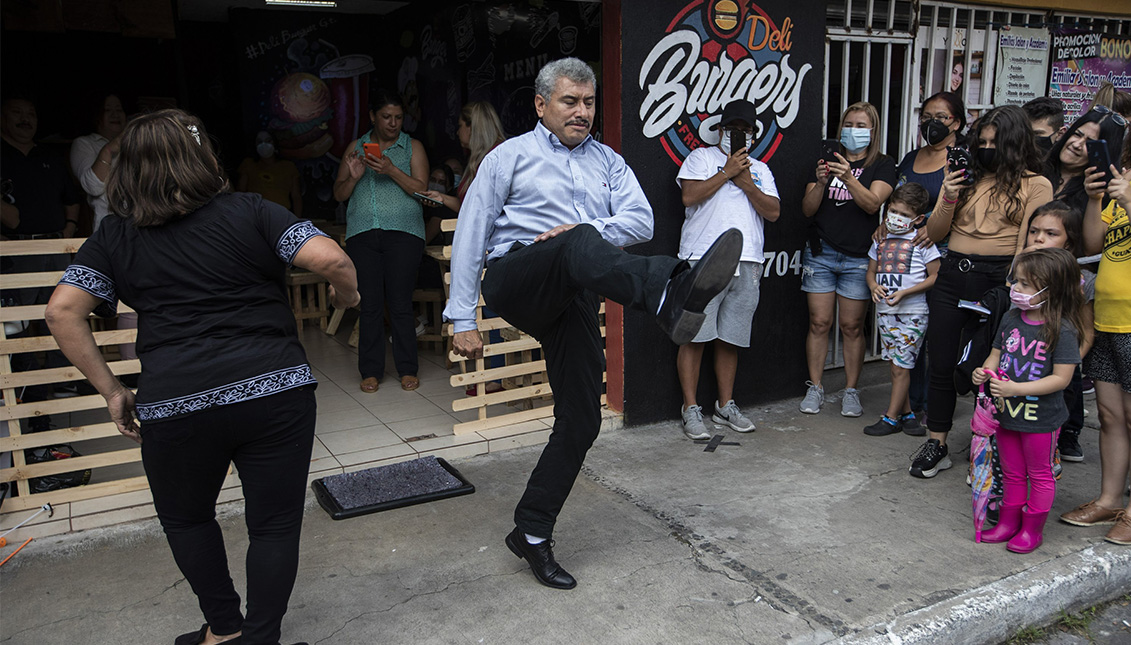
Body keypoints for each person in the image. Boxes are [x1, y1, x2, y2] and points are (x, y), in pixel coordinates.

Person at [45, 109, 359, 645]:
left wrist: (113, 392)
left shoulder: (114, 236)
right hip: (274, 390)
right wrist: (346, 297)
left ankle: (223, 631)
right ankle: (260, 638)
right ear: (202, 158)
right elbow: (331, 259)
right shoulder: (251, 210)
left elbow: (61, 312)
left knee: (188, 521)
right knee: (274, 525)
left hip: (177, 402)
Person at [445, 57, 742, 589]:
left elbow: (640, 220)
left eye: (588, 103)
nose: (581, 112)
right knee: (578, 240)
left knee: (582, 419)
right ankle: (672, 290)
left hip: (571, 291)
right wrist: (460, 316)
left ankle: (532, 531)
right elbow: (471, 231)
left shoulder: (607, 161)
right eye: (569, 101)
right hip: (517, 274)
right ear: (541, 105)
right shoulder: (508, 157)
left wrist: (583, 228)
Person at [915, 105, 1053, 479]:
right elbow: (938, 232)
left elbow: (1029, 243)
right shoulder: (968, 177)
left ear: (1014, 143)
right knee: (940, 361)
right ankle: (937, 442)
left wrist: (1013, 290)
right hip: (952, 273)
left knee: (987, 369)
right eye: (983, 141)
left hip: (998, 279)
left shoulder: (1036, 184)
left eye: (996, 142)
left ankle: (986, 445)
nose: (988, 148)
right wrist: (947, 192)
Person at [673, 99, 779, 439]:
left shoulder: (761, 170)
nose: (739, 135)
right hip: (704, 257)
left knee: (730, 338)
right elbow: (689, 196)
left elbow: (774, 212)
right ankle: (690, 408)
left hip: (748, 260)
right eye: (732, 128)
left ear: (754, 134)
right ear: (720, 130)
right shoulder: (701, 158)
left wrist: (746, 181)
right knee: (693, 337)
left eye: (745, 130)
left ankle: (724, 404)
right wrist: (726, 172)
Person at [972, 248, 1083, 553]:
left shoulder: (1062, 330)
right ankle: (1009, 523)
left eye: (1024, 284)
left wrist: (1015, 390)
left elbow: (1061, 379)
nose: (1014, 289)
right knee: (1010, 472)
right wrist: (984, 372)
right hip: (1006, 415)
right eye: (1015, 281)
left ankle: (1032, 529)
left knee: (1040, 474)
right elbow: (996, 354)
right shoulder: (1010, 318)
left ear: (1052, 289)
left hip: (1041, 419)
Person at [800, 101, 897, 417]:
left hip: (859, 257)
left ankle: (851, 391)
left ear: (872, 131)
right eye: (849, 124)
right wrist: (824, 181)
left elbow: (872, 205)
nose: (853, 131)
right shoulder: (826, 159)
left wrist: (850, 177)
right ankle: (815, 387)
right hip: (822, 253)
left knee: (852, 326)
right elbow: (808, 208)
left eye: (860, 126)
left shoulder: (882, 165)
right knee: (819, 322)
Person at [333, 89, 428, 393]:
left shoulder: (412, 146)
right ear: (373, 116)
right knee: (370, 304)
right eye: (386, 117)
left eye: (398, 117)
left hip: (404, 234)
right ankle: (370, 370)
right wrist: (354, 175)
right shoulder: (355, 147)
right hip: (362, 233)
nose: (393, 123)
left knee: (400, 303)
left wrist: (391, 170)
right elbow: (339, 195)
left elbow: (421, 190)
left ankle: (407, 368)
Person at [1062, 162, 1131, 545]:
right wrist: (1094, 199)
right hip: (1109, 316)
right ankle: (1109, 499)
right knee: (1109, 415)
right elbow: (1093, 244)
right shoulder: (1125, 178)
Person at [863, 183, 940, 436]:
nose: (897, 218)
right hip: (885, 312)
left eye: (905, 215)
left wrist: (906, 292)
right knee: (896, 365)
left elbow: (935, 276)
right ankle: (907, 414)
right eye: (893, 211)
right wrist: (873, 286)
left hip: (913, 313)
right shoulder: (880, 238)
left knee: (901, 366)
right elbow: (871, 271)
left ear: (918, 219)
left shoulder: (922, 242)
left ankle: (891, 418)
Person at [1022, 202, 1095, 462]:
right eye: (1034, 231)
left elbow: (1087, 330)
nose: (1039, 238)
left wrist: (1071, 361)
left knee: (1062, 407)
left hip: (1062, 363)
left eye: (1051, 233)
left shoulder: (1080, 280)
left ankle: (1066, 438)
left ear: (1069, 242)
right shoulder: (1021, 274)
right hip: (1024, 361)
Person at [421, 101, 507, 215]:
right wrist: (442, 198)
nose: (457, 132)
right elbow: (467, 208)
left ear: (471, 127)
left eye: (460, 126)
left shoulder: (498, 156)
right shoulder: (476, 159)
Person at [1043, 107, 1126, 216]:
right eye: (1077, 134)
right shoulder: (1036, 168)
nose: (1077, 145)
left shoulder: (1100, 196)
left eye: (1090, 143)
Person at [70, 92, 126, 232]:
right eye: (108, 110)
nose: (115, 115)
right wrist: (108, 150)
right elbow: (93, 187)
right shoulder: (84, 143)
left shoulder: (136, 143)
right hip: (110, 231)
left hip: (144, 229)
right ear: (97, 116)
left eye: (119, 110)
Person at [237, 131, 303, 217]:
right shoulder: (248, 164)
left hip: (282, 216)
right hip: (256, 216)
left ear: (275, 143)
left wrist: (298, 221)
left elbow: (296, 196)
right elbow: (240, 193)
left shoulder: (288, 166)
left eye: (268, 141)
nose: (264, 144)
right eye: (259, 142)